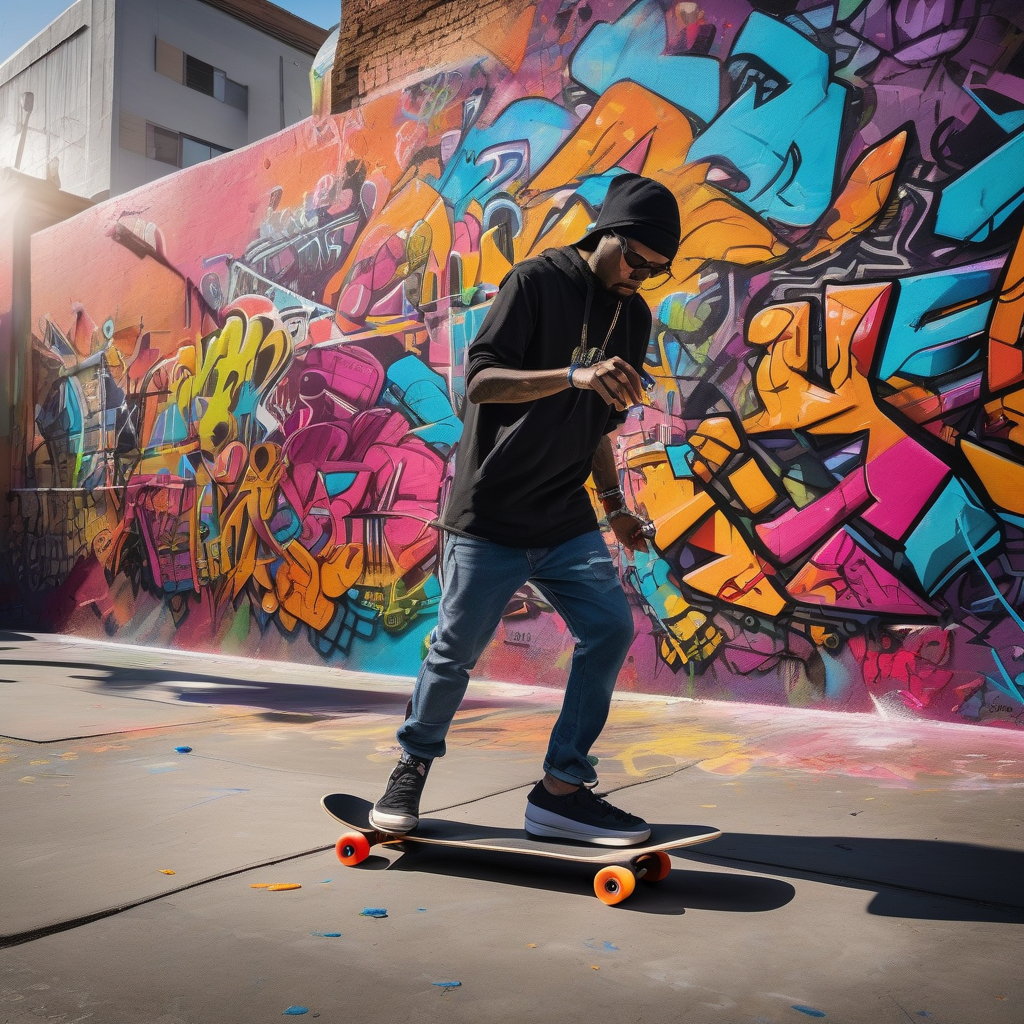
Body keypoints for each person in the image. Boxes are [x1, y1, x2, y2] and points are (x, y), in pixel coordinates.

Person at [370, 173, 681, 846]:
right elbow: (480, 384)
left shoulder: (633, 318)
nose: (640, 277)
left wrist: (613, 507)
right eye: (635, 260)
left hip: (565, 516)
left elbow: (599, 427)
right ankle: (410, 768)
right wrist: (572, 375)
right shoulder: (536, 282)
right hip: (493, 511)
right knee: (455, 651)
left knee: (609, 630)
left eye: (656, 271)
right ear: (606, 235)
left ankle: (561, 791)